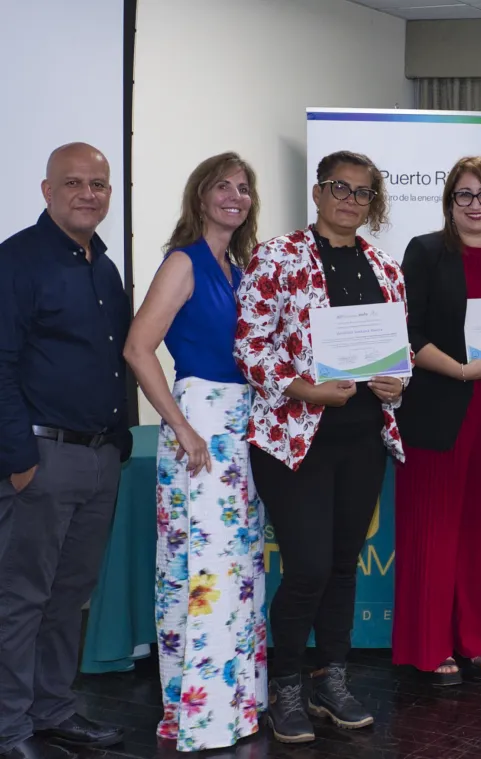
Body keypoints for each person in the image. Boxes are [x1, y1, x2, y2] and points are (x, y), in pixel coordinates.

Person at [235, 150, 406, 742]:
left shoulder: (386, 268)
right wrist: (308, 389)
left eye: (361, 192)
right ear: (317, 192)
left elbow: (396, 356)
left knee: (340, 566)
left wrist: (395, 383)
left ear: (372, 202)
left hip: (362, 439)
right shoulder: (277, 256)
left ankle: (330, 678)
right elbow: (252, 346)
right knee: (306, 567)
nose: (350, 199)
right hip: (294, 439)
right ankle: (285, 686)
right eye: (340, 187)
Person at [123, 152, 267, 750]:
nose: (235, 196)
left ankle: (233, 704)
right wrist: (181, 427)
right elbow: (136, 347)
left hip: (242, 426)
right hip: (202, 423)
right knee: (204, 570)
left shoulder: (238, 267)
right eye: (223, 187)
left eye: (244, 188)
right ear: (200, 195)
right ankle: (203, 715)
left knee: (235, 571)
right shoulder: (183, 262)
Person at [0, 143, 130, 759]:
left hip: (101, 458)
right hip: (41, 460)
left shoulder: (103, 267)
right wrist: (20, 459)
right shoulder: (16, 262)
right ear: (47, 191)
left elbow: (113, 361)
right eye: (74, 183)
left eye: (99, 184)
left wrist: (121, 441)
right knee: (21, 599)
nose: (88, 194)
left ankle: (52, 709)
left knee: (69, 594)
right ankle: (8, 727)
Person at [393, 156, 481, 685]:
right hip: (441, 407)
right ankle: (430, 646)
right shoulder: (426, 252)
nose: (476, 206)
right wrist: (460, 371)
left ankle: (478, 638)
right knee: (434, 527)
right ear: (449, 202)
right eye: (464, 195)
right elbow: (407, 336)